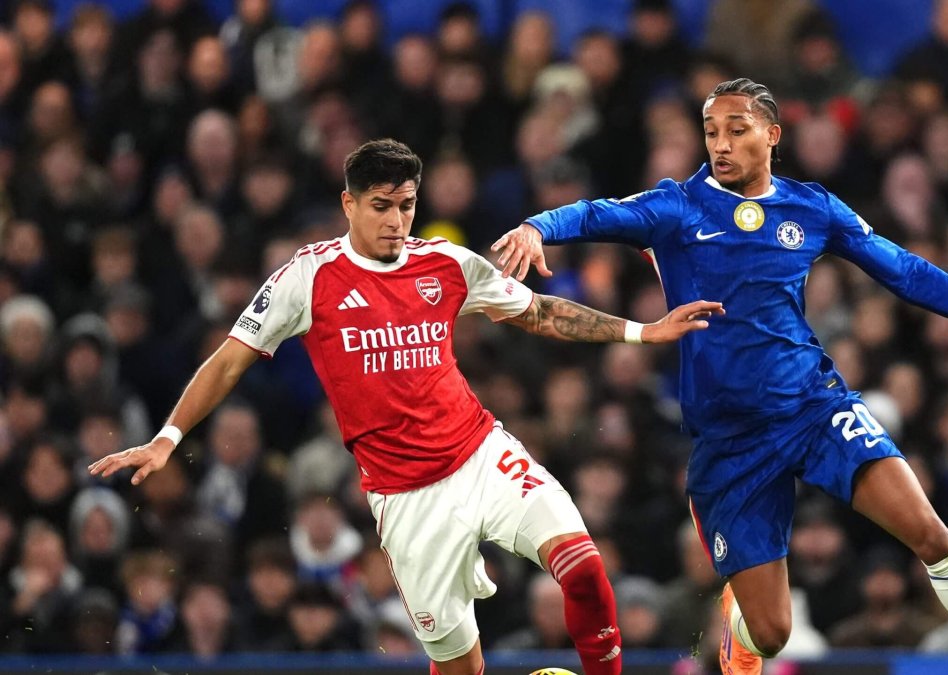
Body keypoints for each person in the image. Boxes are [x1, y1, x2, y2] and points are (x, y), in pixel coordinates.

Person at [491, 78, 948, 675]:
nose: (721, 144)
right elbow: (595, 213)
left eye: (737, 130)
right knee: (772, 636)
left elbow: (904, 271)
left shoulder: (814, 208)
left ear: (772, 136)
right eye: (712, 132)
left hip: (812, 407)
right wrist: (539, 227)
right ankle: (743, 620)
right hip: (730, 441)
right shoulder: (677, 207)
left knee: (930, 536)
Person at [89, 139, 723, 675]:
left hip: (482, 453)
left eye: (408, 205)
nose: (397, 221)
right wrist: (168, 437)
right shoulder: (308, 278)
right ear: (349, 204)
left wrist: (643, 332)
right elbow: (229, 358)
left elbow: (539, 313)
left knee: (584, 568)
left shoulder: (446, 264)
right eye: (382, 206)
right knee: (459, 666)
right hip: (406, 497)